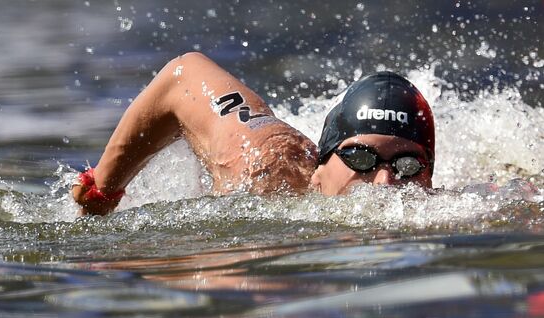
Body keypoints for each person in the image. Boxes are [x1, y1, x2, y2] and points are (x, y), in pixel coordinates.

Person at [72, 52, 435, 216]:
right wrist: (100, 192)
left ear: (430, 179)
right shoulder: (261, 171)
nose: (385, 183)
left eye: (407, 165)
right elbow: (183, 74)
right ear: (320, 168)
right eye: (360, 158)